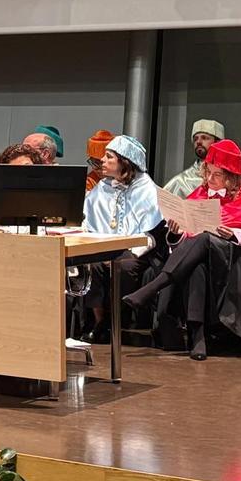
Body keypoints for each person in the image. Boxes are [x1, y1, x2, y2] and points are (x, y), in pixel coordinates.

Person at [122, 140, 241, 360]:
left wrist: (233, 234)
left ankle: (156, 285)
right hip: (201, 262)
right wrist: (176, 233)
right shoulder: (200, 192)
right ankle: (198, 336)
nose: (209, 179)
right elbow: (183, 243)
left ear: (231, 177)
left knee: (206, 237)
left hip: (232, 263)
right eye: (207, 172)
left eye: (217, 175)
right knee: (196, 265)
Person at [79, 135, 167, 343]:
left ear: (125, 162)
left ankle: (117, 321)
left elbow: (152, 232)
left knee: (123, 266)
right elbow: (87, 217)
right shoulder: (103, 187)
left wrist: (131, 249)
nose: (103, 160)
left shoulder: (146, 189)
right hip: (104, 243)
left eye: (109, 157)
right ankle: (100, 321)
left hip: (138, 247)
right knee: (93, 264)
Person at [164, 119, 225, 199]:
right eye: (195, 139)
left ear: (218, 142)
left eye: (205, 138)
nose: (198, 142)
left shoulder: (231, 179)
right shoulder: (180, 182)